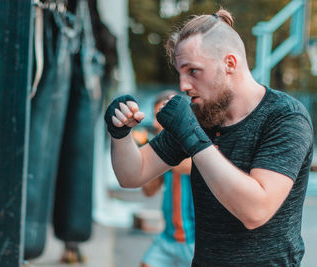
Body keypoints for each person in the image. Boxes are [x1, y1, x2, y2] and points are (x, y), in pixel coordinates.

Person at [104, 8, 313, 267]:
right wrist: (120, 134)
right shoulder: (202, 115)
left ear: (229, 64)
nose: (183, 85)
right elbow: (132, 175)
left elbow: (255, 211)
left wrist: (193, 138)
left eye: (193, 71)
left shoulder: (285, 117)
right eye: (180, 73)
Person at [140, 90, 195, 267]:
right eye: (156, 116)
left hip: (195, 240)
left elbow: (188, 166)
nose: (157, 122)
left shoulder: (196, 145)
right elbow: (148, 191)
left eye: (162, 115)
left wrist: (150, 156)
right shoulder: (163, 150)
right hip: (168, 237)